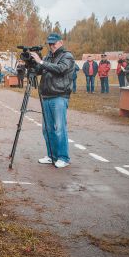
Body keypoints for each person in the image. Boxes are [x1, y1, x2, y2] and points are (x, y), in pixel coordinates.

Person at [30, 33, 75, 169]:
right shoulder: (48, 56)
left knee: (59, 128)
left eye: (53, 43)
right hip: (47, 95)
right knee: (47, 128)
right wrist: (32, 63)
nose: (51, 46)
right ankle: (51, 155)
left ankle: (63, 157)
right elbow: (39, 70)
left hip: (59, 95)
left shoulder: (67, 56)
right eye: (49, 44)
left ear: (60, 42)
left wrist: (41, 62)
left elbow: (60, 69)